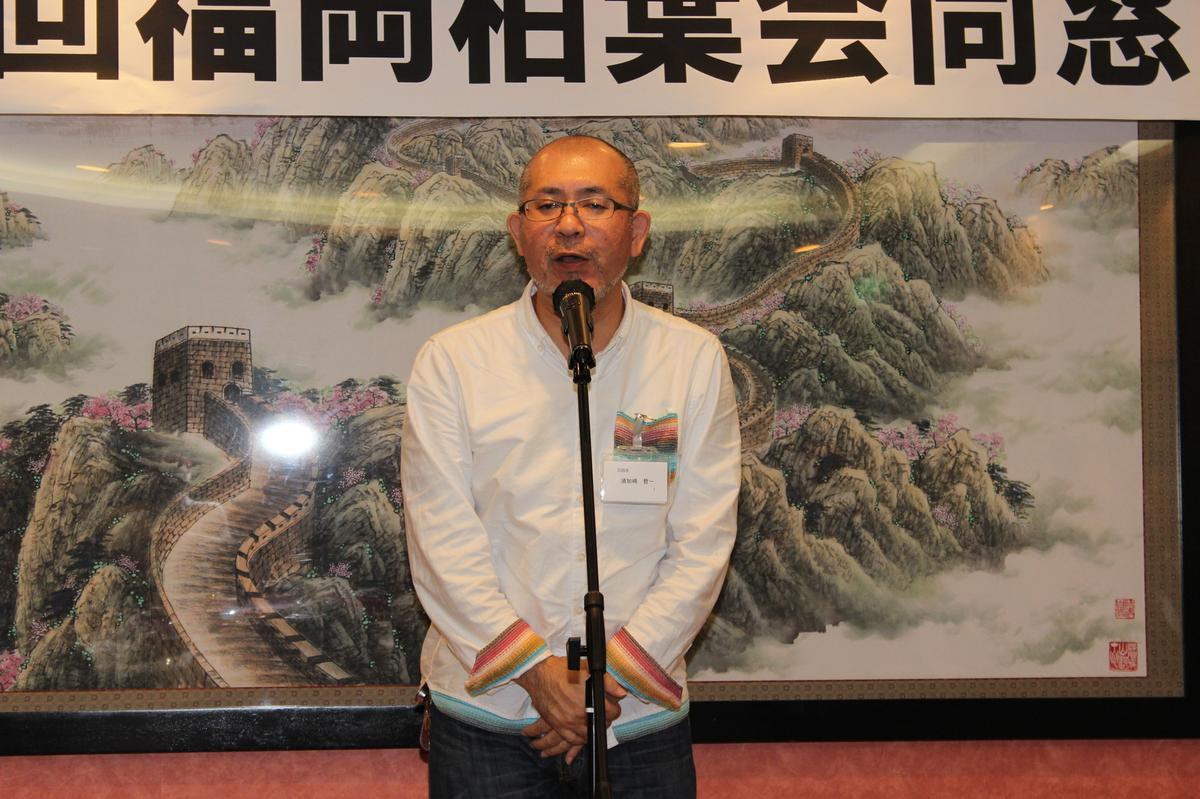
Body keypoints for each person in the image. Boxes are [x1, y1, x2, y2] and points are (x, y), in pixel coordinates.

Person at [401, 135, 741, 797]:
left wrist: (602, 685)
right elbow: (441, 538)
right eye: (547, 205)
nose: (569, 225)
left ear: (636, 232)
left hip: (635, 716)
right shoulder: (456, 360)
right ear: (518, 232)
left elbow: (704, 540)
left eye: (595, 204)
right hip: (488, 717)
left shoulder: (690, 359)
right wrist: (538, 675)